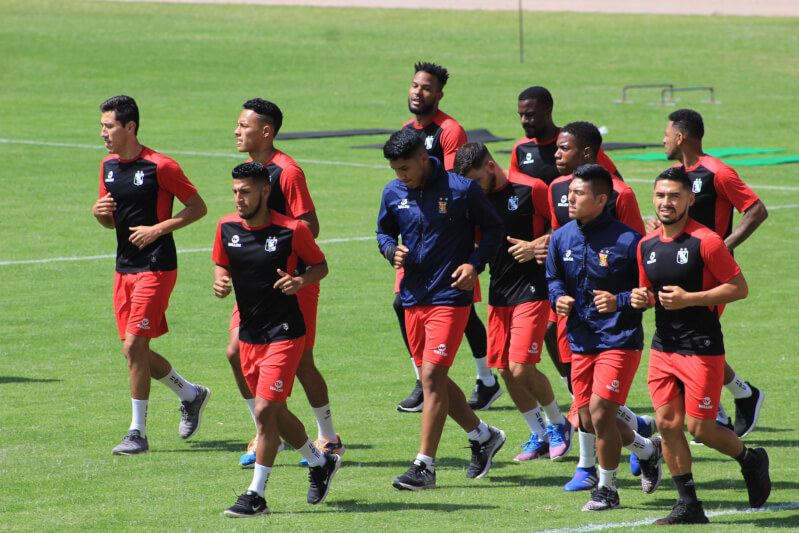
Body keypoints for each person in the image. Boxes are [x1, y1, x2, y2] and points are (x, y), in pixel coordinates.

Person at [632, 167, 770, 524]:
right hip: (664, 347)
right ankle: (688, 504)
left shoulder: (706, 242)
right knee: (666, 423)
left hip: (702, 347)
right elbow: (651, 292)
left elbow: (739, 288)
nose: (666, 202)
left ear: (690, 200)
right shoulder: (645, 245)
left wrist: (691, 298)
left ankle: (751, 460)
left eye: (674, 196)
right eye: (661, 195)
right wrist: (641, 298)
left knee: (701, 428)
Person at [377, 129, 506, 490]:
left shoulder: (462, 190)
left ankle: (424, 467)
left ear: (423, 158)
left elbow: (494, 229)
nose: (400, 176)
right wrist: (390, 250)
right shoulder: (393, 192)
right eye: (394, 169)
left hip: (450, 296)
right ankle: (483, 436)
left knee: (431, 377)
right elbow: (384, 232)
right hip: (412, 297)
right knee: (435, 379)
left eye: (404, 168)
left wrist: (475, 263)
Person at [215, 162, 340, 517]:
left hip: (285, 332)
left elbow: (320, 265)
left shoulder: (292, 230)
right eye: (235, 191)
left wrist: (300, 281)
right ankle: (320, 462)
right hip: (250, 334)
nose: (239, 198)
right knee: (276, 411)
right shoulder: (226, 227)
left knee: (266, 410)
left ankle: (256, 495)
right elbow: (222, 263)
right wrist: (220, 280)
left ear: (265, 191)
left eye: (246, 191)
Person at [539, 122, 654, 492]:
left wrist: (618, 300)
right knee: (587, 416)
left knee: (601, 411)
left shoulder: (629, 241)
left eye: (578, 194)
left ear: (602, 199)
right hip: (580, 337)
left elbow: (646, 294)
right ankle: (647, 449)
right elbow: (553, 277)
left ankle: (607, 489)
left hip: (619, 338)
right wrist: (558, 297)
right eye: (569, 193)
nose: (569, 200)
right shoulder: (560, 238)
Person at [92, 95, 209, 455]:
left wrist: (158, 229)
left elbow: (197, 207)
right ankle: (191, 394)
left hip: (157, 265)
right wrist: (99, 213)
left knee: (134, 346)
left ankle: (137, 433)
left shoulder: (161, 166)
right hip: (123, 267)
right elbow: (110, 219)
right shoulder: (108, 166)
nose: (103, 134)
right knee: (134, 353)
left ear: (130, 127)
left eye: (109, 126)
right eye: (101, 127)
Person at [230, 99, 343, 468]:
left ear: (266, 132)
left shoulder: (287, 172)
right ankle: (266, 431)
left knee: (301, 362)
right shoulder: (247, 172)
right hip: (255, 284)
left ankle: (328, 437)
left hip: (292, 282)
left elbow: (310, 224)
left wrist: (279, 247)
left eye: (244, 126)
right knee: (235, 352)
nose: (237, 131)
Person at [648, 109, 767, 439]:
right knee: (690, 340)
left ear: (681, 137)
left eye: (667, 132)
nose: (663, 138)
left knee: (696, 341)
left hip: (710, 276)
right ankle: (739, 397)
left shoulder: (718, 171)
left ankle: (722, 411)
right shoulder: (676, 175)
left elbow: (756, 210)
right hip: (680, 269)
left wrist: (722, 247)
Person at [454, 143, 573, 462]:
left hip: (534, 288)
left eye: (477, 179)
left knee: (521, 367)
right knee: (504, 369)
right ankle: (538, 434)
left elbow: (564, 228)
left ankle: (559, 425)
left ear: (491, 166)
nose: (474, 187)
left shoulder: (532, 188)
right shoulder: (473, 197)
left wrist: (538, 245)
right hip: (500, 291)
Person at [395, 62, 501, 413]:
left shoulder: (449, 130)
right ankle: (426, 378)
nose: (417, 92)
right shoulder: (406, 131)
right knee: (404, 305)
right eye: (414, 85)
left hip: (449, 239)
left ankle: (486, 379)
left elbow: (460, 185)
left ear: (439, 95)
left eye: (426, 88)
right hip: (418, 240)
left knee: (461, 307)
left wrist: (469, 245)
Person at [512, 89, 622, 399]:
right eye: (520, 114)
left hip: (599, 275)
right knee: (552, 335)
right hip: (558, 264)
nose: (524, 120)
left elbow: (612, 190)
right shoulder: (527, 156)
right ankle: (578, 396)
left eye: (530, 114)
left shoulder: (581, 147)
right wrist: (541, 245)